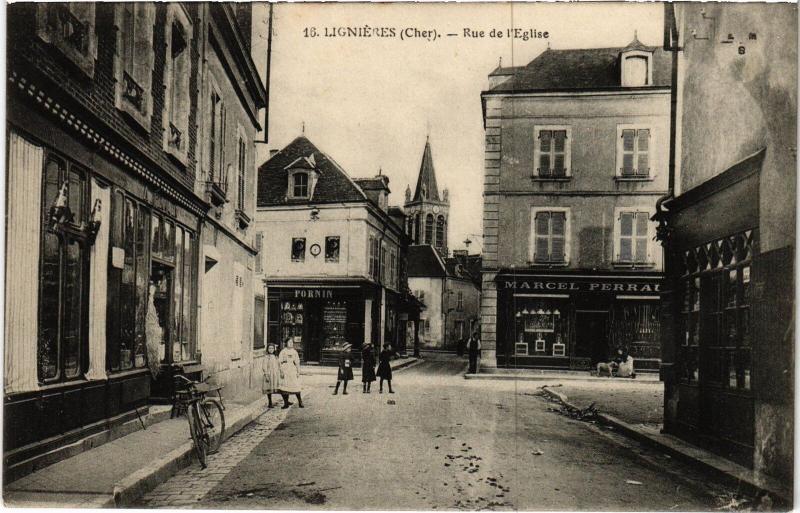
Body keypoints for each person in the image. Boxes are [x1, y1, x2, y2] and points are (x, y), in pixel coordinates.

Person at [278, 337, 303, 408]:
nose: (291, 344)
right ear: (286, 343)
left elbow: (297, 362)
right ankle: (286, 403)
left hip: (292, 369)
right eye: (289, 342)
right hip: (285, 369)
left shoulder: (294, 352)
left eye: (292, 342)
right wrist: (281, 372)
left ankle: (300, 401)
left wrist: (298, 371)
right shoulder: (283, 351)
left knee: (296, 386)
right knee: (284, 388)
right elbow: (279, 362)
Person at [261, 343, 281, 408]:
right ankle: (270, 402)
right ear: (267, 349)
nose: (271, 349)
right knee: (269, 388)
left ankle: (286, 401)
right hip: (269, 374)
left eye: (272, 348)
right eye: (269, 348)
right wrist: (266, 374)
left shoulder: (276, 357)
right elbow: (264, 366)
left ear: (274, 349)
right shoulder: (266, 357)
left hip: (275, 374)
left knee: (276, 387)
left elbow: (279, 365)